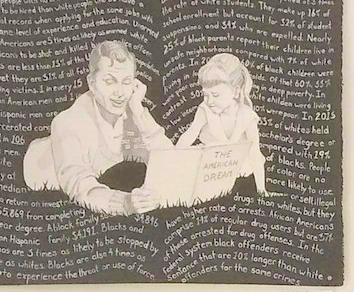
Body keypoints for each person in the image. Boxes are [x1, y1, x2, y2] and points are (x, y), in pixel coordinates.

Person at [47, 41, 171, 216]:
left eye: (126, 82)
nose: (119, 92)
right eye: (110, 81)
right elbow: (80, 186)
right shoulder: (67, 122)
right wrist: (124, 203)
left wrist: (139, 112)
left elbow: (171, 161)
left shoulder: (135, 113)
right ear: (92, 83)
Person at [175, 52, 267, 196]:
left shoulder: (247, 116)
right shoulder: (205, 110)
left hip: (239, 172)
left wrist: (261, 189)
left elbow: (255, 153)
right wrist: (174, 157)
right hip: (210, 170)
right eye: (206, 95)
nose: (209, 101)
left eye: (216, 95)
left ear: (235, 92)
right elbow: (190, 134)